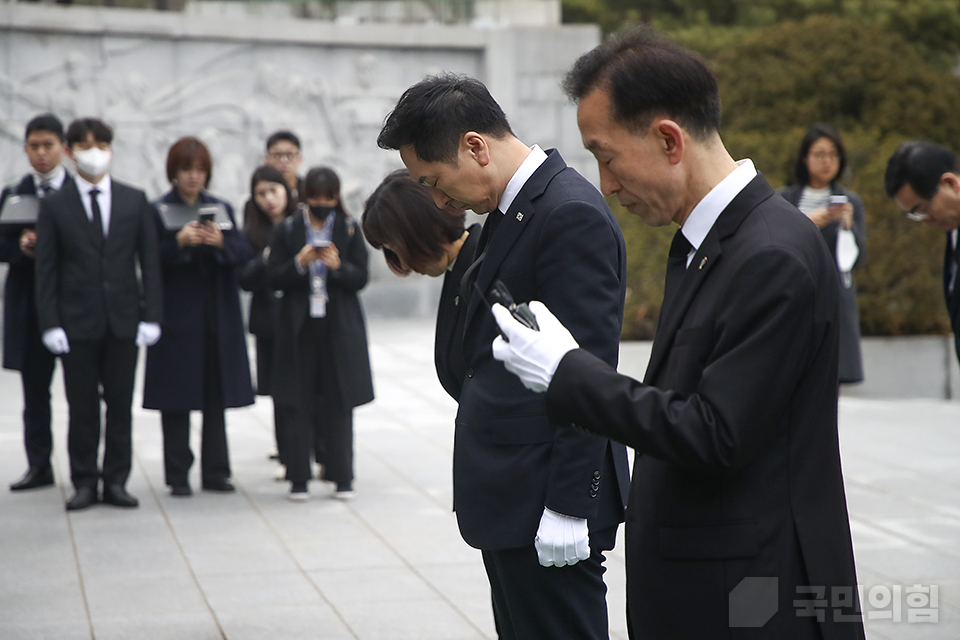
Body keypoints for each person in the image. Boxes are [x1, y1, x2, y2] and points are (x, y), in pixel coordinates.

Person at [490, 27, 864, 639]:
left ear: (668, 139)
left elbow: (715, 434)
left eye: (605, 156)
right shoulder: (709, 243)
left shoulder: (770, 253)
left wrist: (569, 372)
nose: (605, 185)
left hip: (754, 597)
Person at [377, 74, 630, 640]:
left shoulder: (567, 214)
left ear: (474, 146)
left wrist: (569, 505)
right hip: (514, 499)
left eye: (435, 182)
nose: (439, 202)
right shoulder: (510, 213)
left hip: (546, 501)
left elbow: (586, 372)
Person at [34, 117, 163, 511]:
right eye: (85, 145)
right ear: (71, 153)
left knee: (120, 406)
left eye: (101, 145)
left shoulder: (133, 199)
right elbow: (47, 268)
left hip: (124, 320)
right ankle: (85, 480)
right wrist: (51, 323)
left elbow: (149, 262)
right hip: (78, 323)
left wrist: (152, 315)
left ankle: (117, 480)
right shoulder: (56, 205)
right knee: (83, 407)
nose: (93, 153)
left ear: (110, 149)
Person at [142, 137, 255, 497]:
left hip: (215, 316)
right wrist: (179, 243)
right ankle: (177, 473)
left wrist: (219, 243)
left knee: (214, 395)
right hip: (176, 317)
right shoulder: (159, 210)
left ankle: (216, 472)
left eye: (199, 170)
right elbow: (147, 260)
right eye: (186, 169)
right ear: (173, 172)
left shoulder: (219, 207)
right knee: (176, 398)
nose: (193, 177)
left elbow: (243, 252)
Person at [266, 166, 373, 501]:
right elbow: (273, 278)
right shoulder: (287, 229)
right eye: (316, 197)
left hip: (337, 326)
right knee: (297, 402)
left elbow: (361, 278)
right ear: (305, 197)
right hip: (298, 326)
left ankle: (342, 476)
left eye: (328, 197)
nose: (322, 203)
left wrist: (338, 267)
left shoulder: (349, 228)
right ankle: (298, 477)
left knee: (340, 401)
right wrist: (299, 263)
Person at [360, 170, 481, 401]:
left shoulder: (482, 271)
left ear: (425, 228)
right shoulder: (459, 270)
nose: (402, 263)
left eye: (395, 249)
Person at [0, 114, 67, 492]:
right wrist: (21, 248)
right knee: (35, 393)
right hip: (30, 307)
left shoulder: (77, 192)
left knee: (83, 392)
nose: (41, 154)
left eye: (48, 145)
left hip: (71, 304)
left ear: (63, 148)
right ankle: (39, 465)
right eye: (34, 147)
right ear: (26, 150)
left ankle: (86, 468)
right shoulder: (15, 194)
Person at [780, 124, 866, 384]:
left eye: (833, 155)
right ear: (805, 158)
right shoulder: (784, 199)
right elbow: (775, 244)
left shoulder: (850, 201)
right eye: (819, 154)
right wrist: (807, 222)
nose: (827, 162)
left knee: (830, 376)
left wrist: (848, 227)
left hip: (833, 295)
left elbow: (857, 260)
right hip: (794, 293)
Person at [239, 165, 297, 476]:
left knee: (311, 389)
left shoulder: (302, 222)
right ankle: (288, 456)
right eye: (260, 194)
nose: (268, 199)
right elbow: (244, 278)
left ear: (286, 191)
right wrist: (266, 257)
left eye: (273, 191)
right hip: (269, 324)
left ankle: (317, 452)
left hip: (302, 321)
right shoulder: (252, 232)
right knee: (280, 393)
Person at [884, 141, 960, 363]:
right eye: (914, 216)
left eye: (923, 210)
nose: (925, 221)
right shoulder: (953, 232)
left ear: (950, 183)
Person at [263, 130, 304, 200]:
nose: (284, 160)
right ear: (267, 160)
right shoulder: (260, 195)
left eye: (290, 155)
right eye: (277, 155)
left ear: (300, 159)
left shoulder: (310, 194)